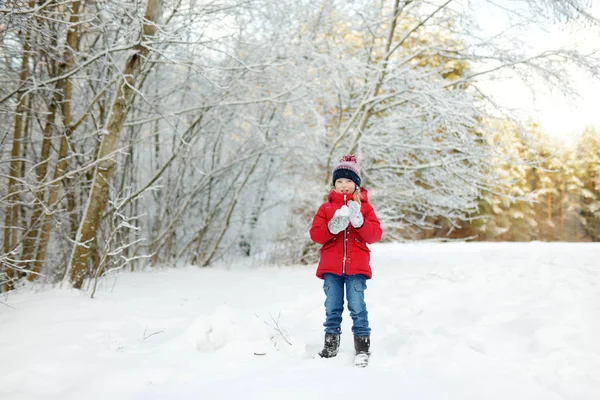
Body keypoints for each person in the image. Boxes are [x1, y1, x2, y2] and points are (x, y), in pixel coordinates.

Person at [309, 154, 382, 362]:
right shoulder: (326, 208)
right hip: (331, 268)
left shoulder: (365, 208)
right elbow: (316, 234)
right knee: (332, 308)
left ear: (356, 184)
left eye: (348, 181)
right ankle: (330, 347)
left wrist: (359, 222)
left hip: (356, 268)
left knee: (357, 307)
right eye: (339, 181)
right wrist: (332, 227)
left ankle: (362, 349)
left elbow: (375, 235)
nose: (343, 185)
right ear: (334, 184)